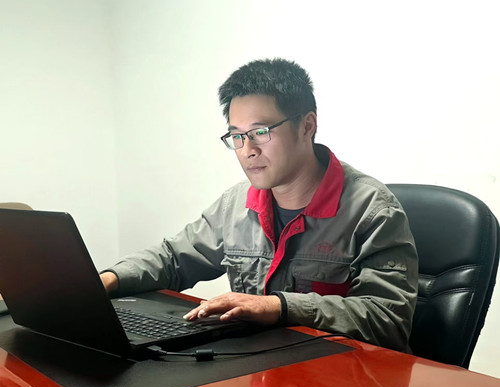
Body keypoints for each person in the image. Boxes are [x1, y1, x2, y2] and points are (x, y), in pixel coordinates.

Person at [100, 58, 418, 352]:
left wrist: (279, 307)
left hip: (343, 376)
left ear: (307, 126)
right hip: (263, 369)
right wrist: (108, 279)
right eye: (237, 136)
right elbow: (172, 259)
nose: (247, 150)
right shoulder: (236, 205)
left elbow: (388, 320)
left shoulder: (372, 210)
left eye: (260, 132)